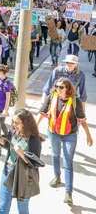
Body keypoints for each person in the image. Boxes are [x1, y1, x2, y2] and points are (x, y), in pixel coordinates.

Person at [37, 78, 93, 206]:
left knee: (68, 163)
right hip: (53, 133)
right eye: (56, 86)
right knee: (55, 155)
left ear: (68, 88)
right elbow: (43, 112)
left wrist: (89, 136)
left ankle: (68, 193)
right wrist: (35, 127)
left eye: (61, 87)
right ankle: (57, 176)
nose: (58, 89)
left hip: (69, 136)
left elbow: (82, 119)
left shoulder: (75, 101)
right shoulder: (52, 97)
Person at [0, 109, 44, 214]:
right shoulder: (13, 132)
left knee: (22, 210)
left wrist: (21, 154)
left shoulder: (34, 140)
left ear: (25, 123)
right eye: (13, 122)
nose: (13, 125)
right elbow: (10, 147)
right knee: (3, 207)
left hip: (24, 177)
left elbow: (35, 163)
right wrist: (2, 143)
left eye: (16, 123)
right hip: (8, 171)